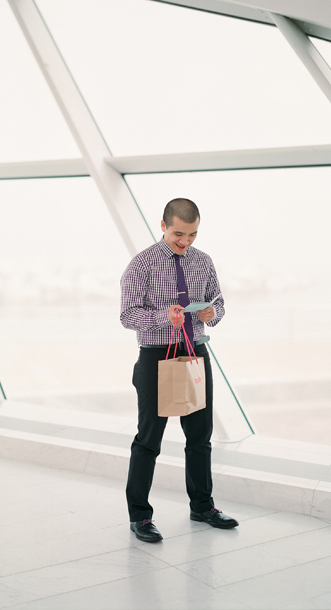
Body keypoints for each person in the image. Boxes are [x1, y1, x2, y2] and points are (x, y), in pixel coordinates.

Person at [119, 198, 239, 543]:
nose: (185, 241)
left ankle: (202, 506)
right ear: (163, 226)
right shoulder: (142, 264)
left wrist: (210, 315)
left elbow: (218, 303)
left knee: (200, 437)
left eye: (192, 234)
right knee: (149, 440)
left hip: (195, 353)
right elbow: (128, 315)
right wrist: (163, 317)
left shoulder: (204, 262)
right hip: (156, 356)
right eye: (178, 234)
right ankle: (140, 516)